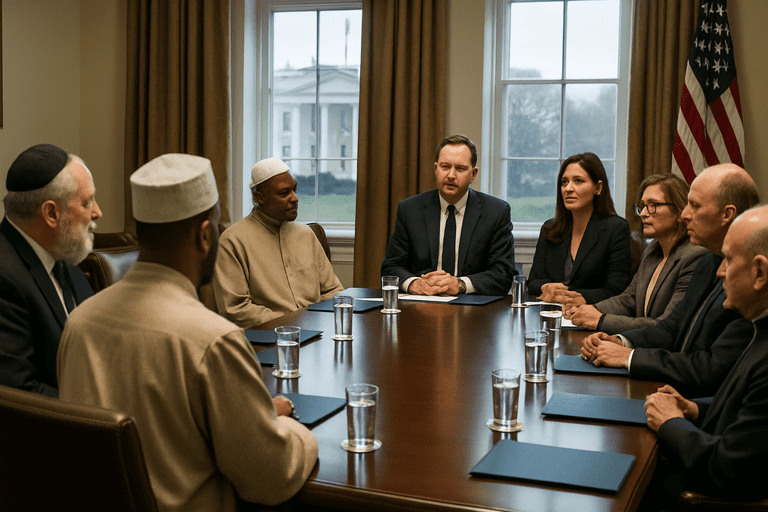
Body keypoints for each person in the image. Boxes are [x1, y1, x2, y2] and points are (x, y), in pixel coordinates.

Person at [57, 154, 318, 511]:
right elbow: (270, 479)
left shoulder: (79, 323)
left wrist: (253, 416)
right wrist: (292, 430)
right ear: (206, 234)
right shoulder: (214, 339)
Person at [581, 164, 758, 397]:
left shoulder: (750, 280)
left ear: (727, 214)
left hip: (694, 402)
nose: (685, 214)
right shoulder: (708, 262)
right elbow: (671, 327)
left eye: (694, 206)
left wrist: (630, 357)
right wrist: (620, 341)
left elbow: (711, 368)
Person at [643, 204, 768, 504]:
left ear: (760, 272)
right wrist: (695, 409)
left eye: (727, 260)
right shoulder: (759, 327)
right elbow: (748, 415)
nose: (719, 271)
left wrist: (671, 422)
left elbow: (727, 468)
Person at [0, 144, 101, 397]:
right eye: (87, 202)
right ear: (52, 213)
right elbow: (19, 394)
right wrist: (100, 408)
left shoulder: (62, 252)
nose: (97, 212)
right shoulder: (5, 278)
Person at [565, 174, 707, 332]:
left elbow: (667, 326)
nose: (643, 213)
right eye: (642, 206)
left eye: (653, 205)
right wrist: (591, 309)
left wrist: (600, 320)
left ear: (679, 210)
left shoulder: (694, 256)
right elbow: (629, 299)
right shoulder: (653, 249)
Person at [214, 157, 344, 328]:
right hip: (266, 340)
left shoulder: (306, 235)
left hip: (316, 332)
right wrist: (291, 324)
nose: (295, 198)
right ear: (260, 198)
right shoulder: (233, 240)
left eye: (294, 189)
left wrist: (315, 322)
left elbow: (333, 291)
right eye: (284, 193)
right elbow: (235, 310)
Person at [380, 135, 516, 296]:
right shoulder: (410, 210)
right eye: (445, 167)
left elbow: (503, 274)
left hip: (473, 310)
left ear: (473, 174)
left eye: (460, 168)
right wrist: (415, 284)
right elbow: (391, 266)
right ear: (436, 169)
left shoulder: (495, 212)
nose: (451, 175)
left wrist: (460, 284)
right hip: (420, 304)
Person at [527, 152, 632, 304]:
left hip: (591, 316)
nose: (568, 188)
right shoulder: (549, 228)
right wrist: (547, 287)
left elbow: (617, 290)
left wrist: (572, 295)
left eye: (578, 181)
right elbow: (534, 282)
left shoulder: (616, 229)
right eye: (564, 182)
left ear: (598, 188)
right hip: (550, 314)